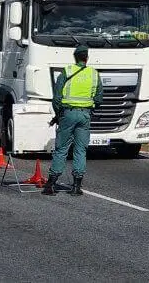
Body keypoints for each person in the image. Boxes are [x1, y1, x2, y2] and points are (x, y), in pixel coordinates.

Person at [42, 45, 103, 196]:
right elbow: (99, 98)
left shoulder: (66, 71)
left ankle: (51, 185)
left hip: (68, 114)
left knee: (62, 149)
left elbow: (56, 98)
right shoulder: (94, 74)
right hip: (85, 115)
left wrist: (58, 115)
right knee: (80, 150)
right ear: (86, 58)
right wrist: (89, 108)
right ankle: (76, 187)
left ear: (75, 58)